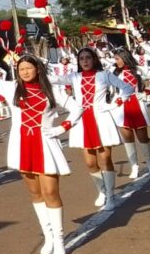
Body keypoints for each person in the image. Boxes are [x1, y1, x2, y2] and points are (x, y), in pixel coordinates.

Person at [0, 38, 81, 254]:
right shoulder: (10, 88)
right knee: (35, 193)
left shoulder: (51, 89)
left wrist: (63, 127)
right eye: (22, 68)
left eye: (29, 67)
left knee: (51, 192)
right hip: (22, 145)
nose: (26, 71)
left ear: (37, 69)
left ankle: (59, 239)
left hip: (46, 144)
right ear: (17, 71)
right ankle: (48, 236)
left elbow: (76, 107)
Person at [50, 47, 135, 211]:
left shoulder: (104, 75)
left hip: (101, 119)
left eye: (88, 57)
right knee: (90, 163)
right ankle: (101, 191)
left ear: (94, 59)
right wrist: (33, 68)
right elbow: (53, 79)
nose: (85, 61)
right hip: (82, 120)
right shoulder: (74, 77)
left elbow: (127, 88)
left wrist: (114, 104)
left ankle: (110, 195)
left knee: (105, 160)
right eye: (81, 58)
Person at [111, 48, 150, 178]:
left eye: (117, 59)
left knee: (143, 137)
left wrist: (146, 91)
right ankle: (134, 166)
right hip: (121, 107)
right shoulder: (114, 72)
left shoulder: (138, 69)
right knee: (127, 138)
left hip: (137, 104)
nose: (115, 62)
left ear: (124, 58)